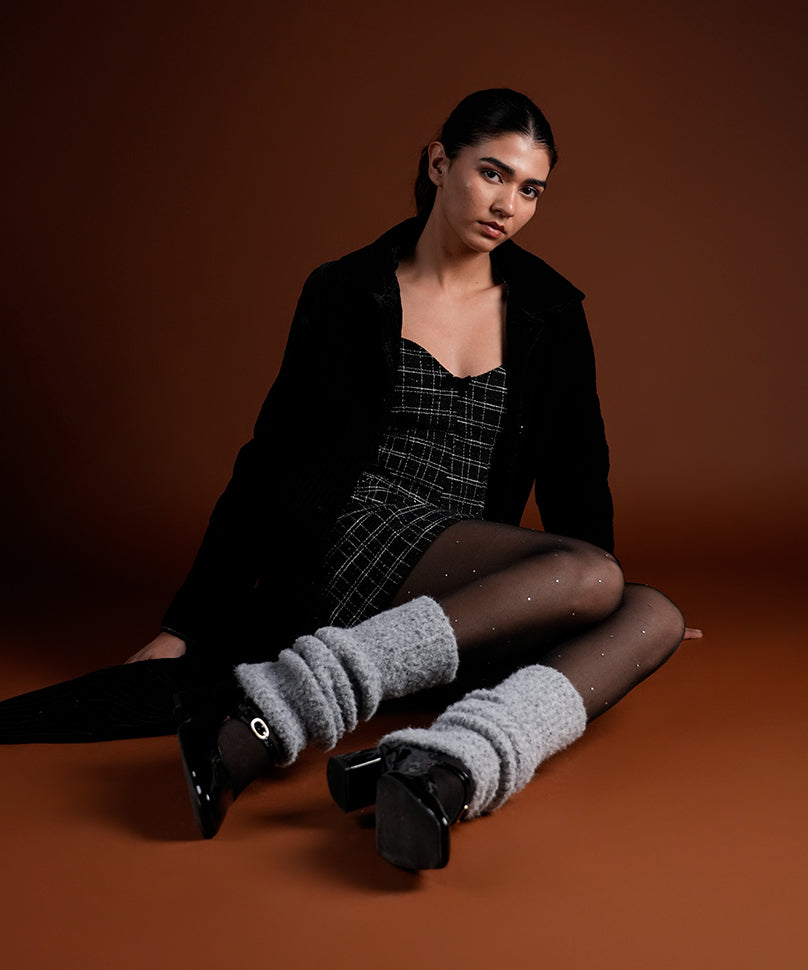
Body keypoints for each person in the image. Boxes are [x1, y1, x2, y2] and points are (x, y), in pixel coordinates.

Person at [0, 89, 699, 870]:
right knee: (595, 578)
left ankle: (439, 770)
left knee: (653, 614)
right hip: (355, 541)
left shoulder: (550, 310)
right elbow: (270, 459)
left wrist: (591, 606)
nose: (509, 205)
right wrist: (188, 622)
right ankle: (276, 713)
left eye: (531, 189)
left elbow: (577, 467)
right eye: (492, 173)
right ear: (440, 163)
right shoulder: (349, 292)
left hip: (452, 582)